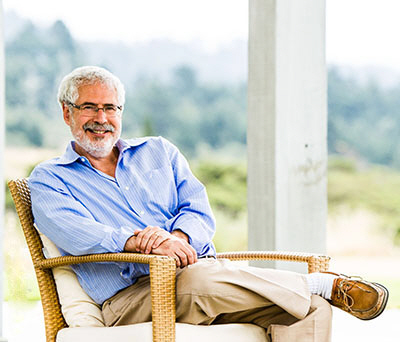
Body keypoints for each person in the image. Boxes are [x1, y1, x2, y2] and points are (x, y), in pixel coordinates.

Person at [29, 66, 388, 341]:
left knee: (308, 311)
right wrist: (145, 242)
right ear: (67, 112)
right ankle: (319, 283)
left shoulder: (159, 151)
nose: (102, 119)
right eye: (89, 107)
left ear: (121, 111)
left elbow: (198, 209)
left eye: (110, 108)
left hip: (202, 275)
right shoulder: (49, 179)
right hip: (132, 298)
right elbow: (80, 235)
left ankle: (317, 293)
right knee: (209, 274)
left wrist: (180, 241)